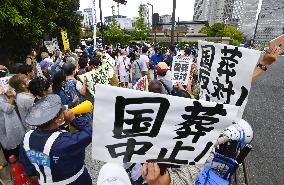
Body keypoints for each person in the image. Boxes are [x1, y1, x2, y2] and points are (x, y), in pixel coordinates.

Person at [19, 94, 92, 184]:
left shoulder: (26, 138)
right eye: (62, 111)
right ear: (58, 120)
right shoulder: (65, 141)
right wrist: (73, 119)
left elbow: (27, 165)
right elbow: (90, 132)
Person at [0, 86, 25, 161]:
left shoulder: (3, 94)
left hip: (10, 123)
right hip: (6, 125)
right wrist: (11, 97)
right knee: (13, 146)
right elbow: (8, 108)